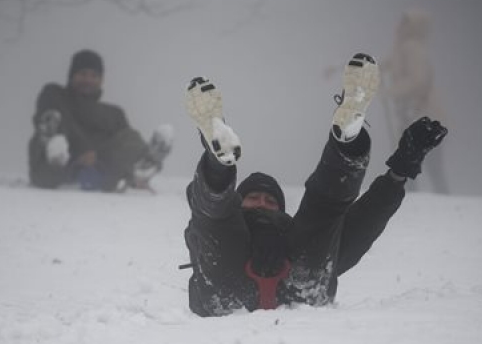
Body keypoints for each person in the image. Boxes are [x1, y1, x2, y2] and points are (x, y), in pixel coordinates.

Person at [182, 53, 447, 317]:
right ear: (240, 201)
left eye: (270, 200)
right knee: (215, 216)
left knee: (325, 211)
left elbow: (364, 222)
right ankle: (218, 159)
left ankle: (348, 138)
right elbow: (202, 223)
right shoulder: (228, 223)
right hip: (228, 287)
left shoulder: (294, 233)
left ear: (282, 210)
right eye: (254, 198)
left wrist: (400, 170)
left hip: (300, 284)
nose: (262, 203)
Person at [28, 49, 173, 192]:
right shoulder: (57, 96)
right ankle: (55, 146)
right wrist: (81, 154)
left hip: (99, 171)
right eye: (82, 74)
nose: (88, 80)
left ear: (101, 80)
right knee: (53, 117)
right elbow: (53, 112)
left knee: (128, 137)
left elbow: (124, 146)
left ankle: (142, 165)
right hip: (57, 168)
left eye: (94, 75)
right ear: (72, 76)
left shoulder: (113, 114)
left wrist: (96, 159)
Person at [380, 9, 449, 194]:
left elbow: (417, 79)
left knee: (418, 157)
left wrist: (390, 92)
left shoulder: (411, 48)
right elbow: (385, 65)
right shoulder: (405, 47)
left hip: (420, 111)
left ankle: (416, 195)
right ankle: (414, 194)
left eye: (404, 23)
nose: (399, 27)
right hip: (414, 112)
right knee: (417, 157)